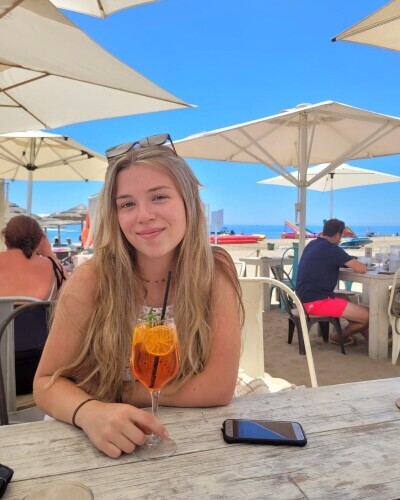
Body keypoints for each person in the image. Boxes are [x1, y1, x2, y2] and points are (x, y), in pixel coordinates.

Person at [34, 134, 243, 459]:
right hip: (87, 436)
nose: (143, 215)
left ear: (188, 201)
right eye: (127, 204)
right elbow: (45, 383)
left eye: (159, 197)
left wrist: (119, 393)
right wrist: (90, 411)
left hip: (185, 436)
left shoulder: (213, 272)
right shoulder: (92, 280)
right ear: (115, 215)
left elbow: (218, 387)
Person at [0, 215, 68, 393]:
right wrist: (49, 253)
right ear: (39, 240)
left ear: (5, 239)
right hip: (40, 370)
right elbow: (72, 299)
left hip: (2, 374)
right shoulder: (54, 267)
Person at [296, 218, 369, 344]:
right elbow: (362, 269)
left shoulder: (312, 244)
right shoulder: (332, 249)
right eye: (341, 236)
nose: (340, 240)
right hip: (316, 302)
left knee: (344, 298)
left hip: (303, 298)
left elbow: (324, 261)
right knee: (370, 316)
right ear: (337, 235)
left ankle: (369, 338)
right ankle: (338, 336)